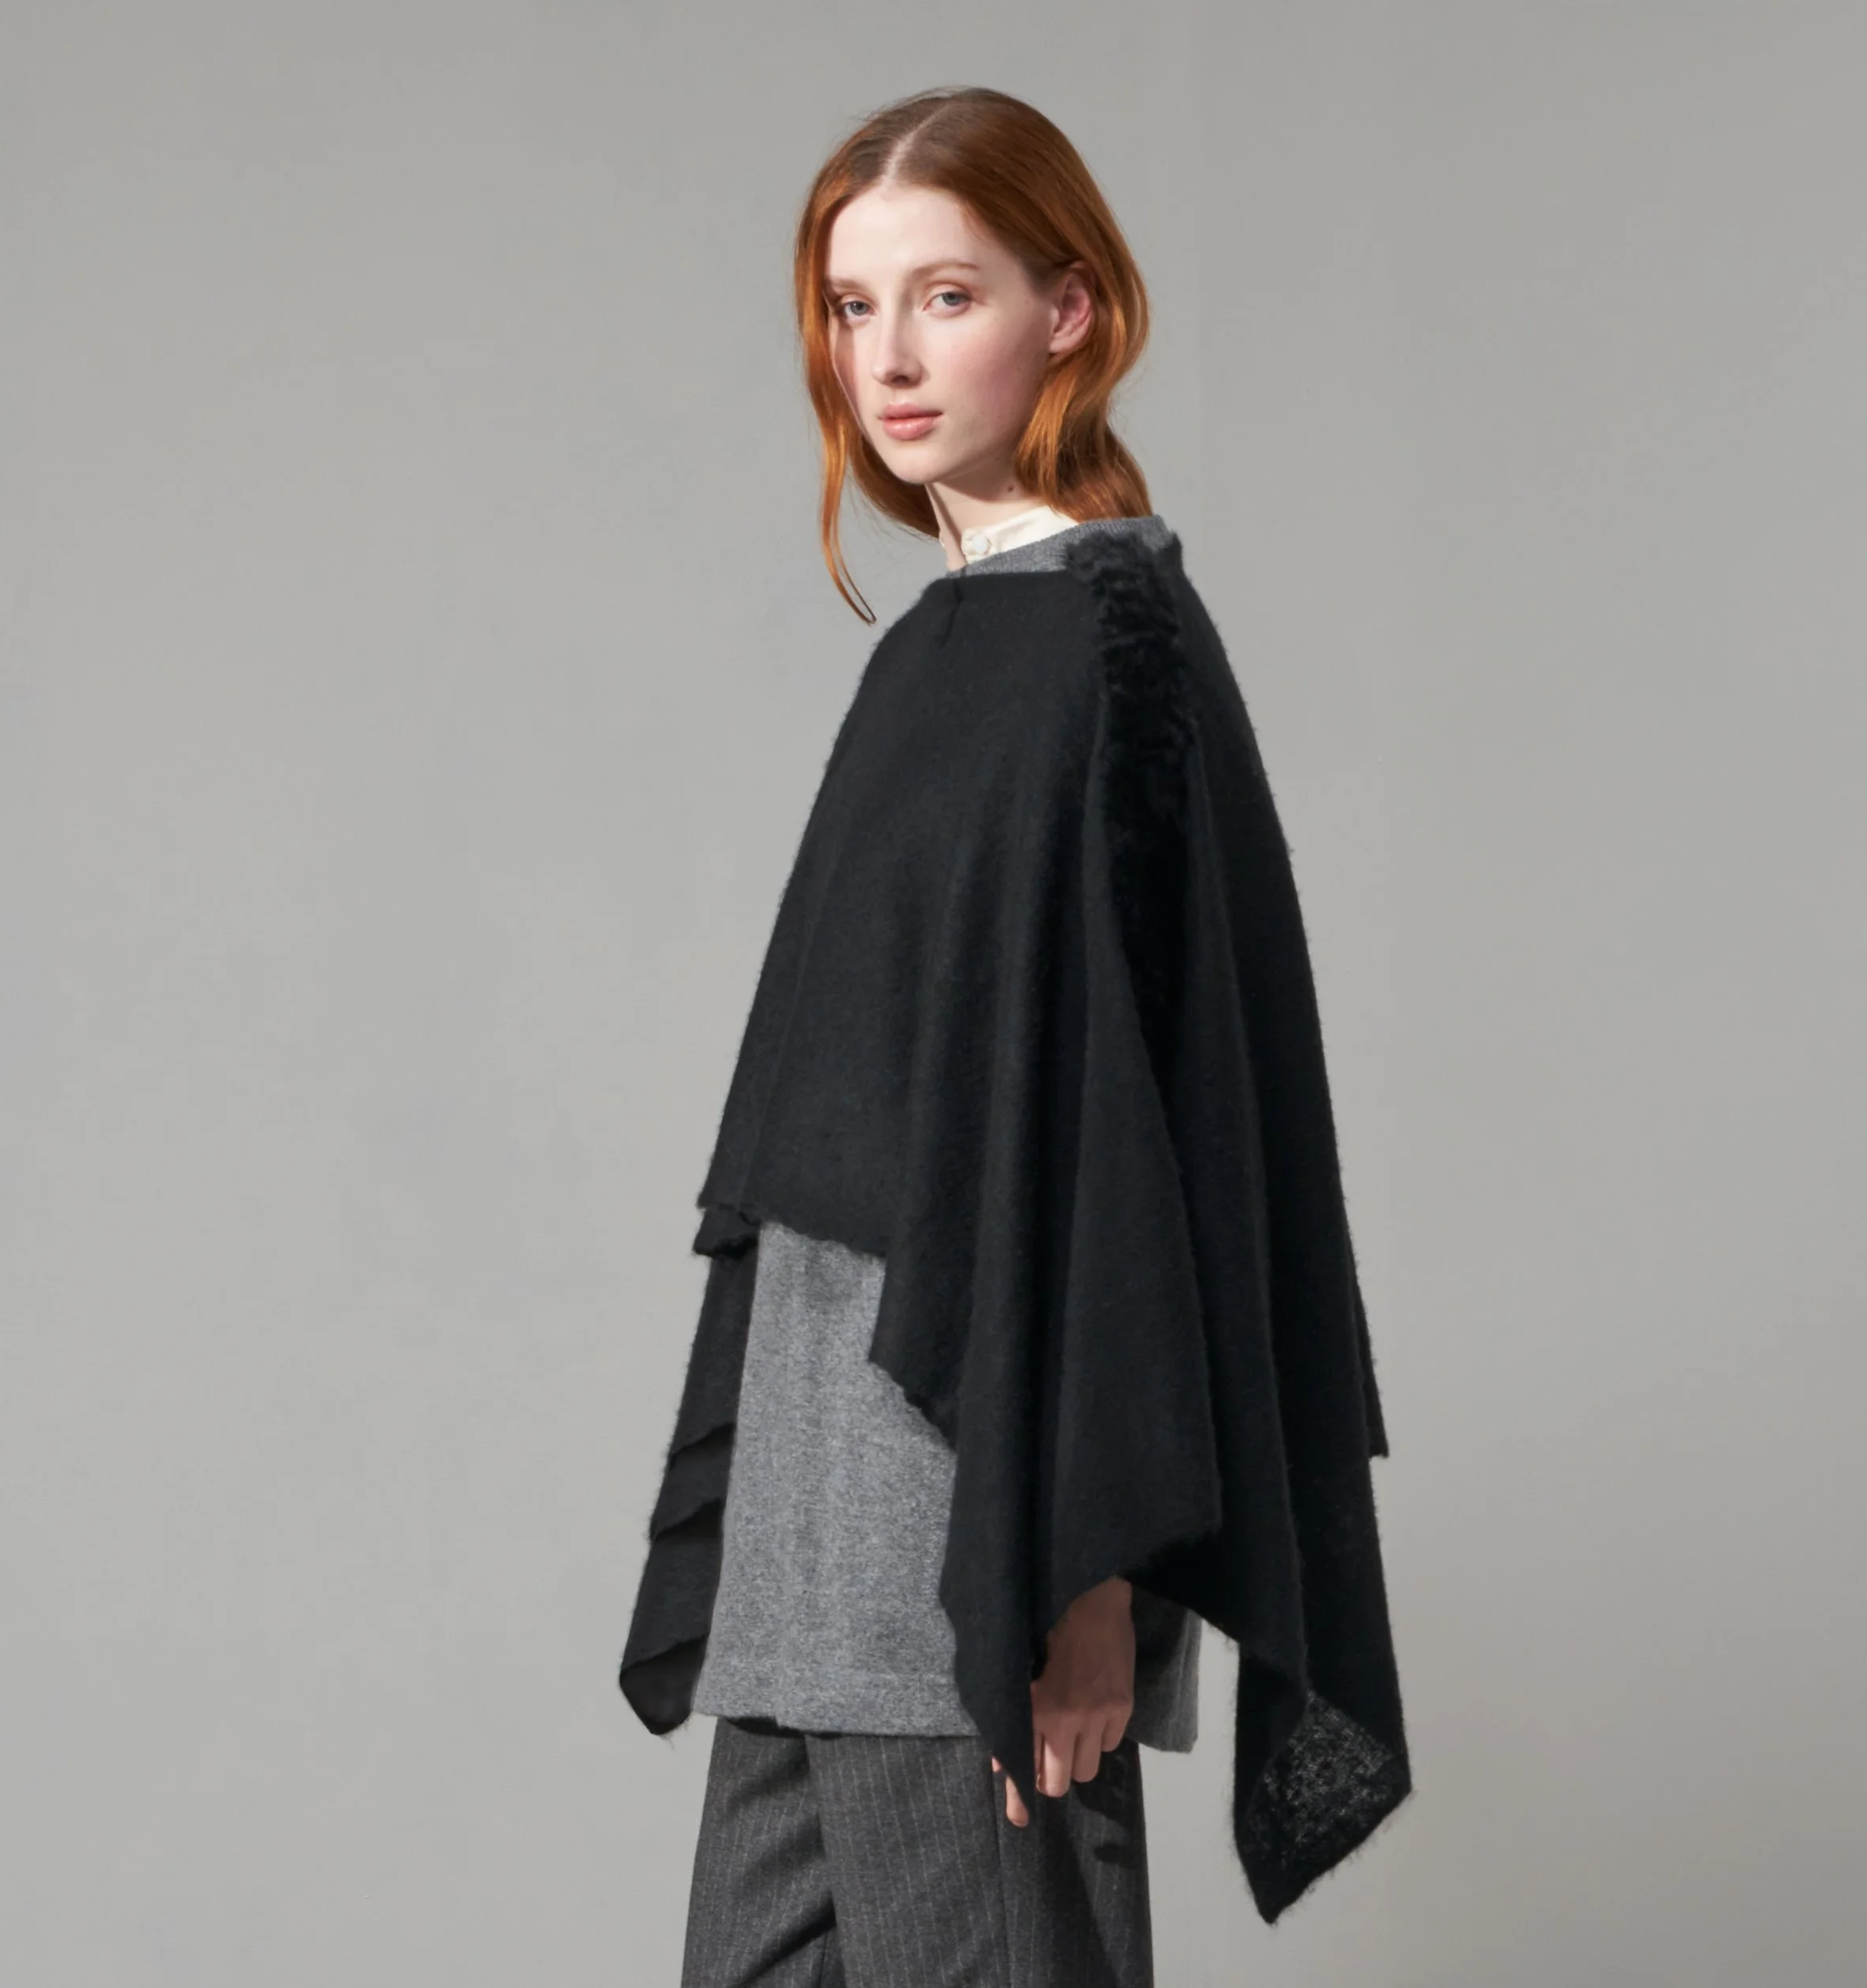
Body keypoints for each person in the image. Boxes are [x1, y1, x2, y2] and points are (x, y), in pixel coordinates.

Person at [621, 85, 1411, 1986]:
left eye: (945, 295)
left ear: (1070, 309)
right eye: (851, 306)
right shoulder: (935, 645)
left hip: (972, 1521)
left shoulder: (1114, 641)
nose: (886, 358)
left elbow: (1146, 1125)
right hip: (814, 1516)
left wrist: (1081, 1570)